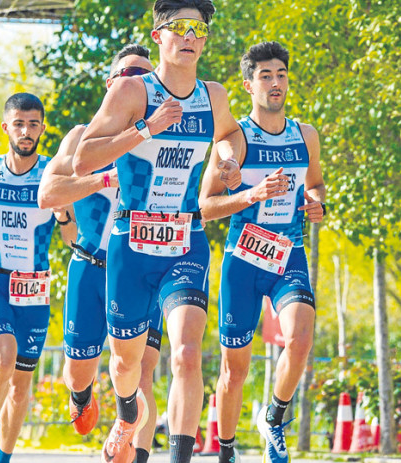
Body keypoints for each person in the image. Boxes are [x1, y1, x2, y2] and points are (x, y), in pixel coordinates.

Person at [73, 1, 244, 462]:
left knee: (187, 353)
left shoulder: (214, 96)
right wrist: (145, 129)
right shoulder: (133, 92)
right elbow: (83, 158)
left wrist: (227, 162)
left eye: (198, 29)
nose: (190, 36)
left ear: (204, 39)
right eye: (179, 28)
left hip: (185, 240)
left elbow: (230, 133)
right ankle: (128, 414)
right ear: (159, 36)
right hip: (131, 243)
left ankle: (179, 457)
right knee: (127, 363)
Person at [198, 41, 326, 463]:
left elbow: (317, 184)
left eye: (281, 75)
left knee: (301, 338)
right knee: (235, 370)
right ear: (248, 83)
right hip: (244, 259)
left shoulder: (305, 135)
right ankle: (227, 449)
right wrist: (250, 194)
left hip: (289, 253)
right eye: (266, 76)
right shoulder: (235, 139)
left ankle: (274, 418)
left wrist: (316, 202)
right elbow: (205, 208)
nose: (275, 83)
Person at [37, 43, 162, 463]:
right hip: (91, 266)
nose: (137, 82)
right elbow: (47, 194)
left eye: (145, 75)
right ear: (111, 84)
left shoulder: (164, 136)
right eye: (128, 73)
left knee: (141, 370)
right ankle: (82, 397)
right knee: (79, 371)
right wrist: (100, 179)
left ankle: (133, 443)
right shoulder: (80, 138)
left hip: (145, 266)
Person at [0, 92, 75, 463]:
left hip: (35, 287)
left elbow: (72, 239)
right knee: (3, 360)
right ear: (6, 127)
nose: (26, 131)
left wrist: (62, 215)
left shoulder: (53, 174)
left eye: (34, 124)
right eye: (19, 124)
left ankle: (3, 456)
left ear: (42, 127)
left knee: (22, 384)